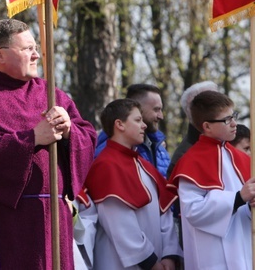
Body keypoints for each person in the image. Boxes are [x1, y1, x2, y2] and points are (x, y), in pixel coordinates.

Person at [0, 18, 96, 269]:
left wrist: (69, 130)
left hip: (52, 220)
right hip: (1, 223)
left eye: (35, 47)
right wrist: (32, 139)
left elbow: (87, 137)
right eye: (27, 49)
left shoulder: (51, 94)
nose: (36, 54)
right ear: (0, 55)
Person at [80, 99, 182, 269]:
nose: (144, 126)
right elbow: (119, 224)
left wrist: (169, 255)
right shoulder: (105, 166)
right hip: (121, 263)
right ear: (119, 124)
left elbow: (164, 213)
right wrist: (150, 262)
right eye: (137, 120)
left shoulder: (145, 166)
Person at [168, 90, 255, 269]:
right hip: (212, 252)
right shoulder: (190, 162)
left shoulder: (241, 157)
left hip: (243, 245)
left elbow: (245, 202)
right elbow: (193, 210)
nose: (234, 123)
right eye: (226, 120)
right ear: (207, 126)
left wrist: (250, 203)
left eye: (234, 116)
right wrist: (238, 198)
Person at [95, 84, 171, 177]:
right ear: (138, 108)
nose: (161, 116)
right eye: (156, 109)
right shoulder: (105, 154)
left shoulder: (159, 148)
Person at [168, 81, 219, 175]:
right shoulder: (183, 158)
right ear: (194, 111)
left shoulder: (230, 140)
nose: (222, 106)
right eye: (213, 103)